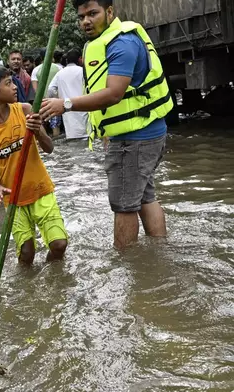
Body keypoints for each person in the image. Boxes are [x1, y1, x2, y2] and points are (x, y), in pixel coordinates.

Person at [40, 0, 173, 249]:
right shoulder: (111, 40)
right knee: (145, 197)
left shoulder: (121, 43)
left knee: (124, 206)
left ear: (109, 12)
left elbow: (114, 94)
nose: (86, 21)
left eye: (93, 14)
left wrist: (65, 104)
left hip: (135, 138)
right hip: (141, 132)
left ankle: (126, 265)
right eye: (81, 17)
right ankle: (158, 255)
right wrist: (106, 132)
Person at [0, 66, 68, 264]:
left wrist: (38, 132)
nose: (15, 87)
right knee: (26, 254)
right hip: (14, 198)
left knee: (59, 245)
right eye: (8, 84)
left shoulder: (25, 110)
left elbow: (49, 148)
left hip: (40, 189)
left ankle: (53, 275)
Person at [47, 48, 89, 140]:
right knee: (88, 138)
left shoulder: (60, 73)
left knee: (72, 141)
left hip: (68, 109)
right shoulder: (83, 71)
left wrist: (58, 99)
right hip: (84, 107)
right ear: (80, 59)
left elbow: (50, 89)